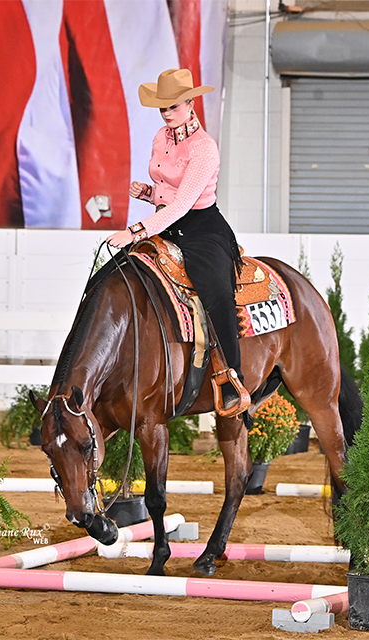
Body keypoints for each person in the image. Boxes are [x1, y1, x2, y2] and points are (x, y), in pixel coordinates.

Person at [106, 68, 248, 416]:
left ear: (190, 104)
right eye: (162, 107)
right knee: (118, 275)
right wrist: (149, 192)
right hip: (167, 224)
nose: (167, 113)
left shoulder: (204, 148)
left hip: (201, 229)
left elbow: (184, 204)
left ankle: (233, 378)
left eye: (173, 106)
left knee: (216, 293)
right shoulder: (161, 137)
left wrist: (135, 232)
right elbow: (169, 193)